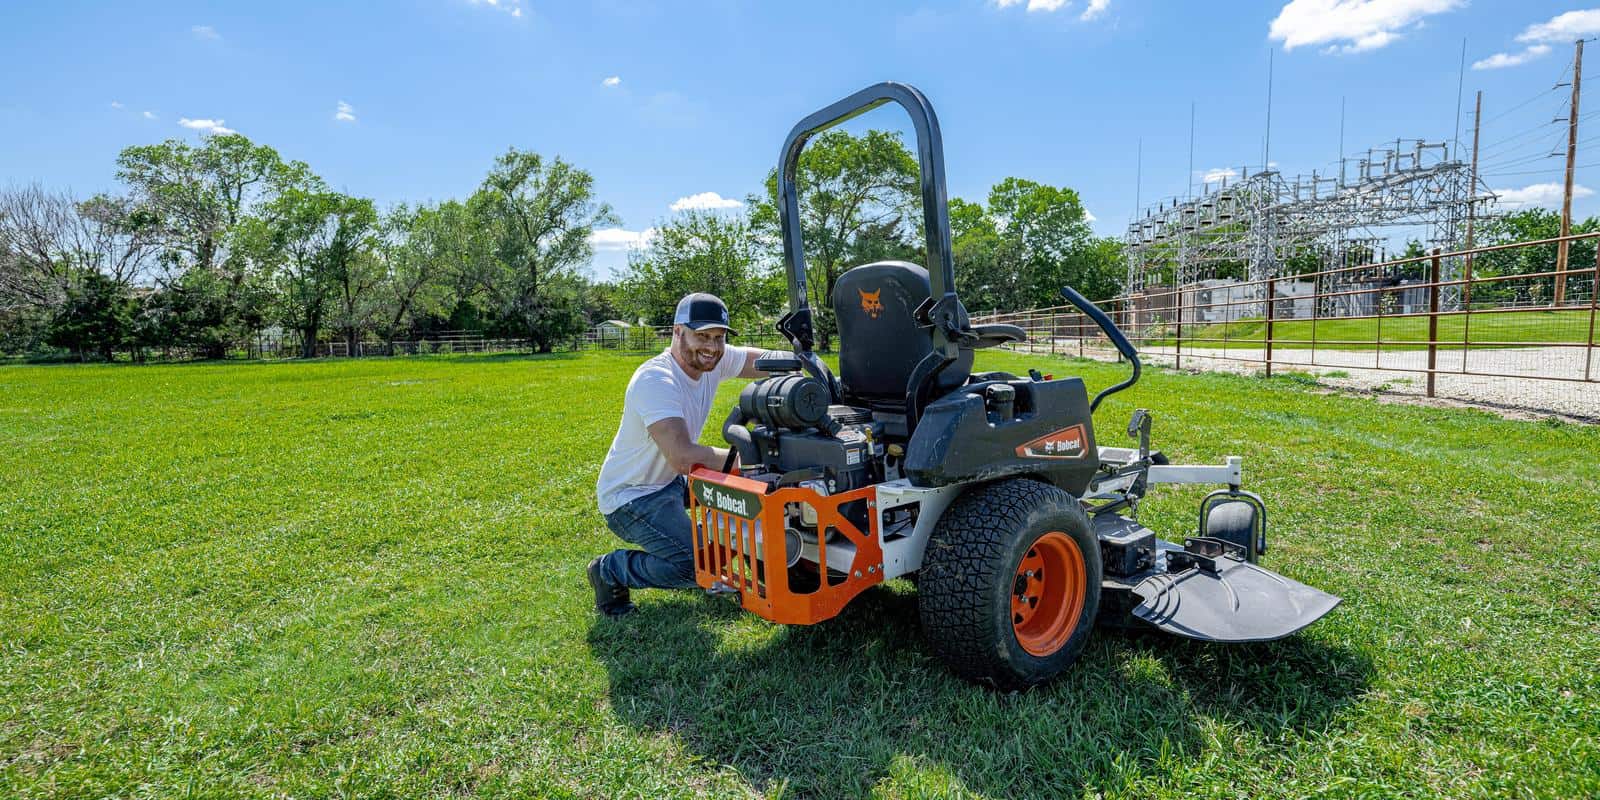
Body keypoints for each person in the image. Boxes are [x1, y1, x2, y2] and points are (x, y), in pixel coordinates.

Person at [588, 292, 773, 617]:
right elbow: (684, 457)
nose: (713, 347)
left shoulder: (713, 359)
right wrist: (748, 461)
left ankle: (761, 573)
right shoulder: (656, 379)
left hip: (672, 482)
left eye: (719, 338)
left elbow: (764, 359)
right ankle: (609, 570)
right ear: (677, 331)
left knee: (753, 496)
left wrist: (804, 363)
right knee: (697, 567)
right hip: (632, 497)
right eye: (702, 336)